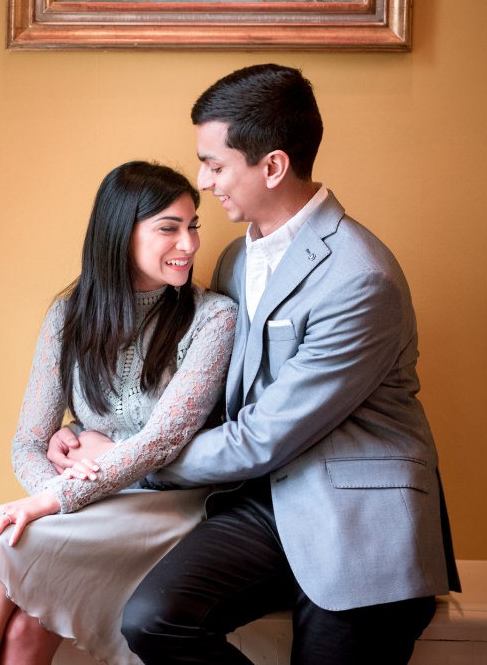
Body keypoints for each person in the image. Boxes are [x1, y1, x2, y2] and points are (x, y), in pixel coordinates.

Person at [58, 63, 459, 664]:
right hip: (261, 505)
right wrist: (91, 434)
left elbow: (261, 438)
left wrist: (121, 462)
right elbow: (200, 397)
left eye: (215, 165)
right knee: (152, 620)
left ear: (272, 165)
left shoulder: (360, 278)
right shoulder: (232, 262)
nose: (203, 181)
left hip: (357, 523)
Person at [0, 161, 238, 665]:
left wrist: (56, 498)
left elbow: (163, 440)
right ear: (119, 234)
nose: (188, 245)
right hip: (87, 506)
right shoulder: (68, 315)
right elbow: (29, 443)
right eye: (169, 228)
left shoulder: (214, 318)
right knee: (21, 632)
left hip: (166, 510)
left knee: (1, 550)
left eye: (193, 227)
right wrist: (64, 488)